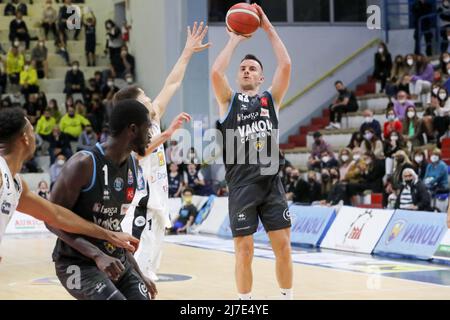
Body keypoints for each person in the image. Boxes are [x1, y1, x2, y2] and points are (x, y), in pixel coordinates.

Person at [112, 21, 208, 282]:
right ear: (134, 105)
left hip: (157, 205)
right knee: (135, 274)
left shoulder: (151, 119)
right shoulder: (128, 131)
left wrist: (187, 51)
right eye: (144, 97)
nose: (149, 99)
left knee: (149, 275)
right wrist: (167, 135)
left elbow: (172, 82)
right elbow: (140, 153)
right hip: (140, 206)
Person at [211, 4, 293, 300]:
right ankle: (245, 303)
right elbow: (216, 71)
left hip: (271, 182)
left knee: (283, 246)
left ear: (261, 78)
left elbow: (285, 66)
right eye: (243, 69)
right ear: (238, 78)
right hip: (242, 185)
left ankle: (286, 297)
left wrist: (267, 26)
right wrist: (235, 38)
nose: (246, 70)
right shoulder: (227, 101)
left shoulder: (271, 101)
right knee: (244, 251)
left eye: (253, 68)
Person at [49, 99, 157, 300]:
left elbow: (113, 228)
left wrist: (139, 273)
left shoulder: (132, 165)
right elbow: (50, 219)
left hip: (116, 261)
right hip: (76, 263)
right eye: (147, 128)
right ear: (132, 129)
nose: (151, 135)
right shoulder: (83, 164)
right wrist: (97, 254)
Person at [0, 107, 139, 263]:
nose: (35, 135)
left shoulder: (16, 185)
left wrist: (109, 235)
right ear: (25, 138)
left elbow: (56, 216)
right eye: (32, 130)